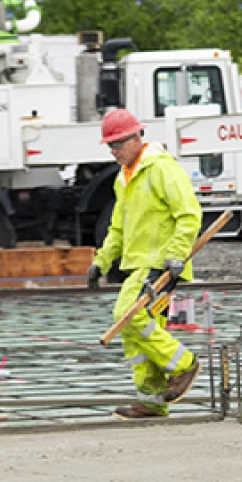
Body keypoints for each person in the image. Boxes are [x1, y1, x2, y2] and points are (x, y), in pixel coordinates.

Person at [86, 109, 203, 419]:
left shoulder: (161, 168)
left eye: (118, 144)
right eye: (110, 146)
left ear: (137, 138)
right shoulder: (124, 178)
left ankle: (184, 365)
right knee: (138, 331)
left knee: (128, 316)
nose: (114, 152)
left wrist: (176, 255)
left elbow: (189, 214)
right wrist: (101, 261)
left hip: (161, 265)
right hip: (140, 265)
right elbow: (118, 228)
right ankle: (152, 400)